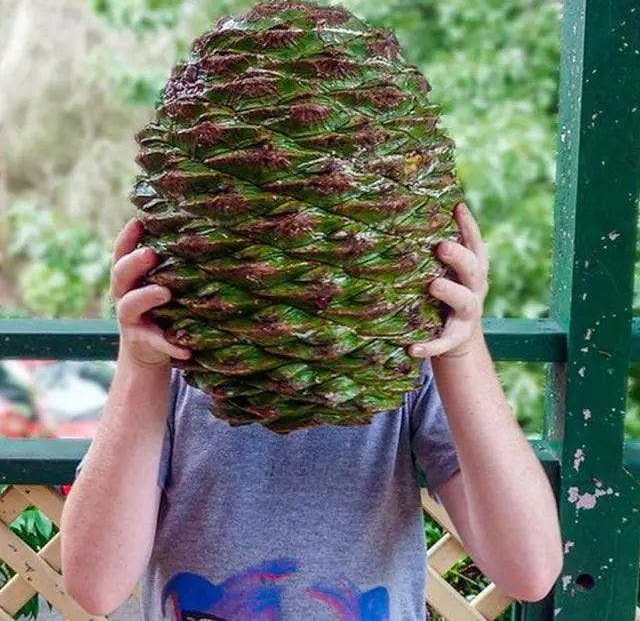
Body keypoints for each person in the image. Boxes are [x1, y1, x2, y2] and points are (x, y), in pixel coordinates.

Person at [60, 202, 563, 620]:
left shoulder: (407, 369)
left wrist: (462, 348)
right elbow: (95, 586)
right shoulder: (172, 374)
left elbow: (529, 569)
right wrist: (140, 363)